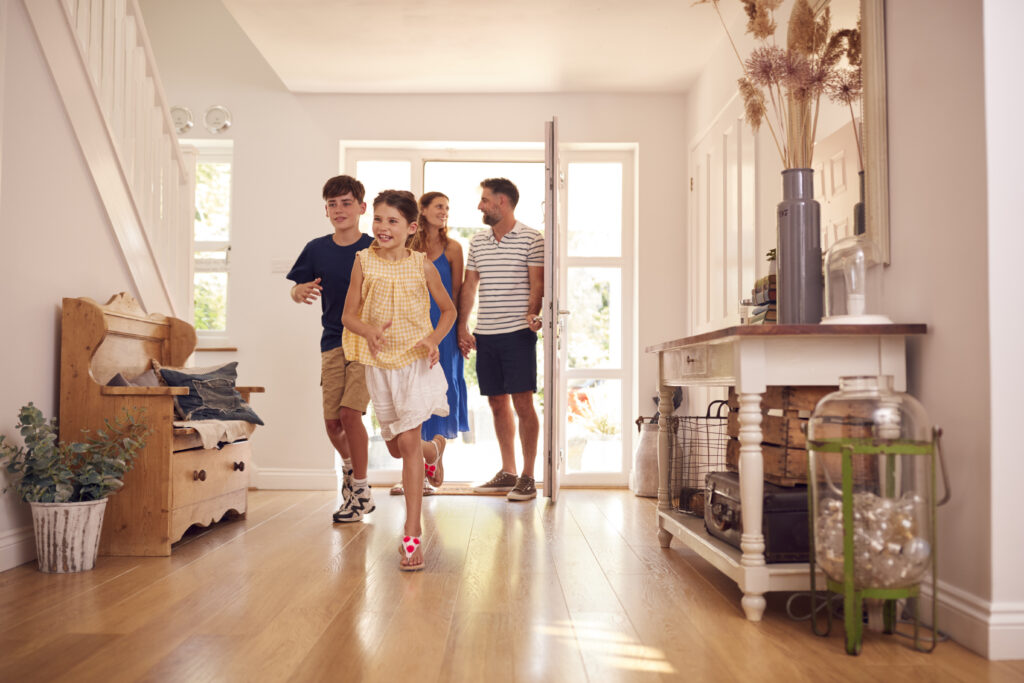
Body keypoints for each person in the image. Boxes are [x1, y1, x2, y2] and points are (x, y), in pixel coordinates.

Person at [342, 190, 455, 571]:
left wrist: (433, 339)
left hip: (415, 363)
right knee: (396, 447)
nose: (382, 227)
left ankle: (411, 535)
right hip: (379, 365)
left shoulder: (423, 265)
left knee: (406, 443)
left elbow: (449, 310)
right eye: (378, 219)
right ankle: (432, 452)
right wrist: (369, 331)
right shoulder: (362, 262)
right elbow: (348, 316)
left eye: (392, 221)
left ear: (411, 228)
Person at [286, 175, 376, 523]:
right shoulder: (316, 248)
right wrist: (299, 291)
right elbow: (296, 289)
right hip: (332, 342)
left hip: (365, 344)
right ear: (326, 210)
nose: (339, 209)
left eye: (346, 203)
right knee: (332, 422)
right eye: (332, 204)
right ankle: (353, 478)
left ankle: (362, 488)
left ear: (361, 208)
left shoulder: (374, 249)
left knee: (351, 415)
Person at [457, 178, 544, 502]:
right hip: (487, 334)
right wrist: (463, 327)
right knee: (495, 403)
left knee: (523, 403)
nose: (480, 206)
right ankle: (508, 472)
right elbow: (469, 287)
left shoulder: (532, 239)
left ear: (502, 202)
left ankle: (529, 475)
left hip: (518, 334)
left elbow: (537, 284)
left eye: (485, 200)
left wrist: (532, 315)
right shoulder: (478, 242)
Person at [390, 191, 469, 497]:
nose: (444, 212)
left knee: (439, 391)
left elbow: (458, 293)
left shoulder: (453, 248)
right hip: (409, 331)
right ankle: (417, 470)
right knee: (409, 396)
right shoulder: (406, 246)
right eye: (439, 207)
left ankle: (434, 458)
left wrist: (461, 329)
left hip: (442, 332)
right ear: (421, 211)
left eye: (447, 208)